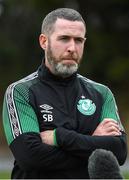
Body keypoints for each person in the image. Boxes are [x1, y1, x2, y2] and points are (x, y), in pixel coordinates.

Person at [2, 8, 127, 179]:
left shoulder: (102, 93)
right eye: (64, 39)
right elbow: (30, 157)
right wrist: (92, 142)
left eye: (78, 40)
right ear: (44, 41)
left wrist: (59, 137)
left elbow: (119, 152)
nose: (72, 47)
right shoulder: (20, 91)